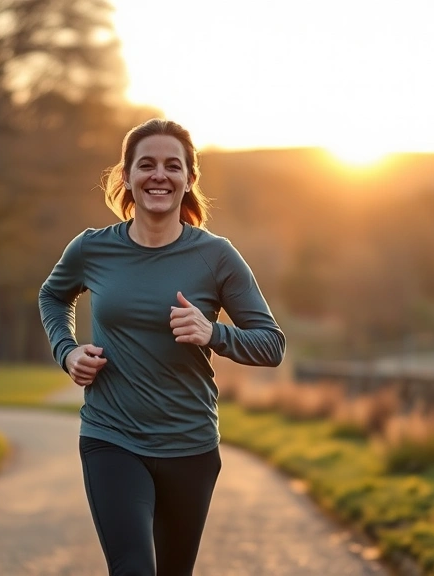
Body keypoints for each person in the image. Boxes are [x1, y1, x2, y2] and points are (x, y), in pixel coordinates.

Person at [38, 118, 285, 576]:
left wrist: (214, 333)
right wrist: (66, 350)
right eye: (146, 164)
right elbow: (52, 295)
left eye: (173, 166)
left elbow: (272, 344)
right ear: (127, 175)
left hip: (189, 445)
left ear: (189, 179)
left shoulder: (216, 256)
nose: (159, 175)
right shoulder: (93, 249)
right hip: (111, 437)